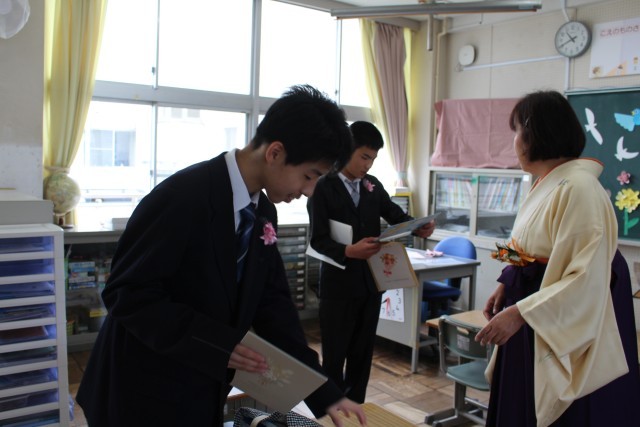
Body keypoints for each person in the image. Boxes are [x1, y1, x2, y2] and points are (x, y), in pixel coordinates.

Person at [76, 85, 368, 427]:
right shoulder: (183, 197)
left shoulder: (263, 213)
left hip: (201, 383)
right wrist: (217, 344)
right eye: (308, 176)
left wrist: (324, 390)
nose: (308, 191)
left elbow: (273, 306)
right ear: (275, 152)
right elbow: (127, 294)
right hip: (142, 386)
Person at [475, 90, 640, 426]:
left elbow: (586, 277)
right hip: (531, 307)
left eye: (517, 131)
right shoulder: (546, 183)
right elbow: (525, 248)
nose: (514, 142)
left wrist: (521, 312)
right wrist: (506, 283)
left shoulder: (579, 188)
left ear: (536, 134)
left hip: (546, 316)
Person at [307, 121, 435, 403]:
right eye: (364, 156)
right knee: (335, 354)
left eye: (373, 159)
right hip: (338, 287)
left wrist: (418, 227)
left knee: (362, 352)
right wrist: (349, 250)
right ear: (347, 149)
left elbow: (396, 216)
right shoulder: (323, 186)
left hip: (370, 283)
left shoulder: (372, 185)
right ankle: (330, 411)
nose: (368, 165)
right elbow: (318, 240)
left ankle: (356, 408)